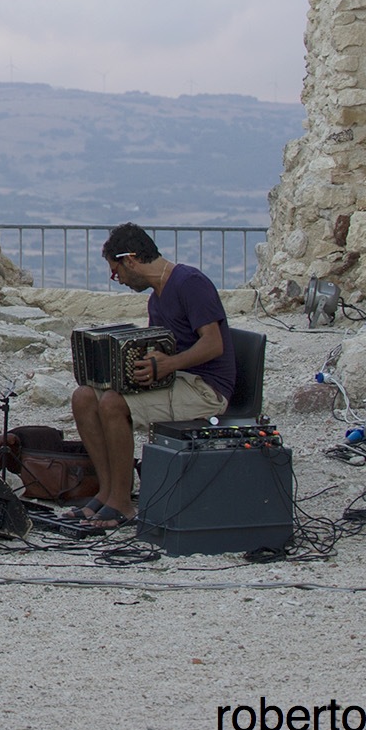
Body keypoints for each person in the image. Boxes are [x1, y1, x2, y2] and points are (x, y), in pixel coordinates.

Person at [69, 222, 238, 530]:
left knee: (112, 404)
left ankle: (122, 502)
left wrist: (168, 365)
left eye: (115, 271)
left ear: (130, 259)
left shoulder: (190, 283)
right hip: (176, 379)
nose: (117, 280)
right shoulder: (156, 298)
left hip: (205, 389)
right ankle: (106, 492)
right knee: (83, 397)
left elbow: (213, 344)